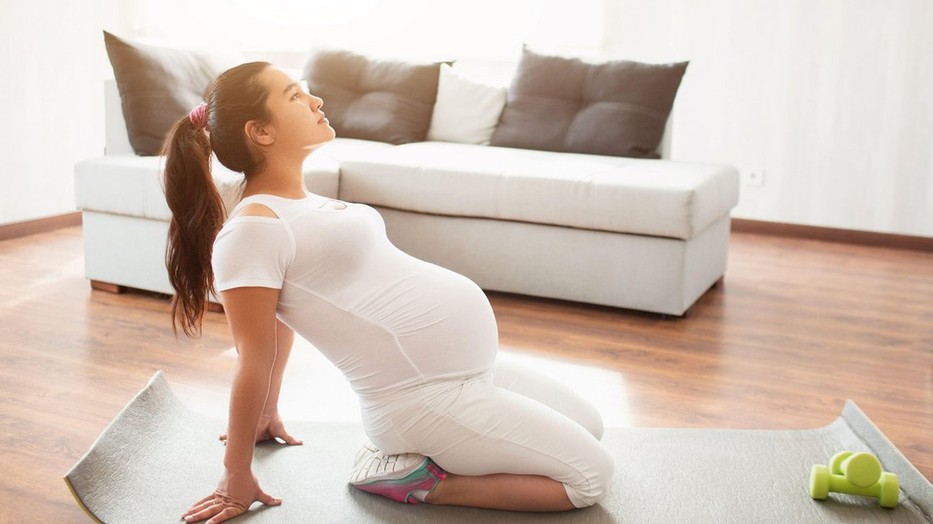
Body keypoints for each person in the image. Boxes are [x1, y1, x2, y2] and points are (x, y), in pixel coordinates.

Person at [162, 61, 614, 524]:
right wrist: (235, 472)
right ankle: (420, 482)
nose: (315, 101)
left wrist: (267, 412)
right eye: (294, 96)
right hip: (423, 400)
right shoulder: (252, 231)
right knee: (590, 478)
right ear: (261, 132)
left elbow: (281, 321)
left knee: (591, 426)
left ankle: (454, 449)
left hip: (470, 374)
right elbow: (253, 354)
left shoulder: (300, 204)